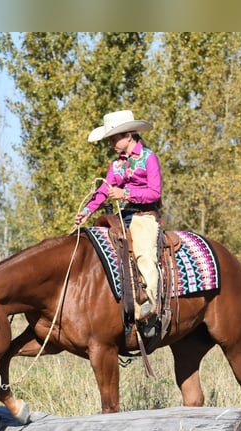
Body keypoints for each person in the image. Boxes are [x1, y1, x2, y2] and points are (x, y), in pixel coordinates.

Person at [74, 109, 162, 322]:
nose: (111, 143)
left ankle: (152, 306)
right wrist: (86, 212)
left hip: (145, 216)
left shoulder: (149, 158)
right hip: (122, 217)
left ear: (128, 135)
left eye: (114, 138)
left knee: (144, 254)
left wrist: (126, 193)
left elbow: (155, 192)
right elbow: (103, 191)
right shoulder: (116, 165)